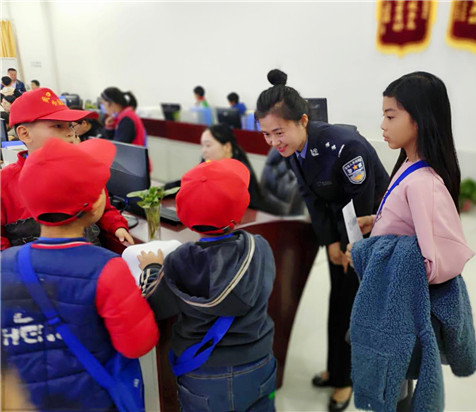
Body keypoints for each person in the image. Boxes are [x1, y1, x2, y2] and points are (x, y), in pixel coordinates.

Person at [255, 69, 389, 412]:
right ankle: (335, 369)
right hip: (340, 228)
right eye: (266, 134)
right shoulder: (294, 148)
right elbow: (313, 199)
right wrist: (329, 241)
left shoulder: (344, 146)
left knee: (353, 306)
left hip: (371, 231)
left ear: (303, 121)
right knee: (338, 300)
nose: (273, 142)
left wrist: (351, 247)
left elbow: (363, 205)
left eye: (279, 132)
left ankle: (346, 380)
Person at [1, 137, 159, 411]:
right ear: (94, 204)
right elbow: (138, 344)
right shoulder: (108, 268)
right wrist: (150, 276)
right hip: (94, 399)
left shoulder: (5, 264)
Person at [137, 158, 277, 412]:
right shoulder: (259, 247)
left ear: (184, 216)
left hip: (203, 373)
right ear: (240, 211)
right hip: (257, 364)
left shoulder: (178, 261)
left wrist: (152, 269)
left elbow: (152, 305)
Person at [348, 71, 474, 284]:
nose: (383, 125)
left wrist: (366, 253)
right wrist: (375, 221)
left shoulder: (423, 184)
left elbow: (433, 265)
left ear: (420, 119)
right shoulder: (408, 164)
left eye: (390, 117)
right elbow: (409, 226)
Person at [1, 87, 134, 250]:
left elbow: (105, 209)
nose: (70, 133)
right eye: (58, 126)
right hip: (32, 265)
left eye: (70, 125)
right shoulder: (4, 183)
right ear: (25, 134)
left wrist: (117, 226)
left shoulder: (83, 170)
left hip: (88, 258)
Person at [200, 123, 264, 210]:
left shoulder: (241, 174)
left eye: (208, 145)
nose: (203, 151)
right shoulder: (207, 163)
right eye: (202, 146)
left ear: (227, 147)